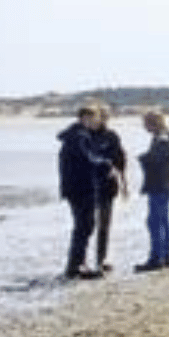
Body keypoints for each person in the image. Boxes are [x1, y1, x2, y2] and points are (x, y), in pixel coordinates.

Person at [55, 103, 113, 279]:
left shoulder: (74, 134)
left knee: (83, 226)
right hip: (81, 188)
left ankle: (78, 264)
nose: (96, 121)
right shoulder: (79, 136)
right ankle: (75, 267)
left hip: (75, 188)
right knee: (84, 226)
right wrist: (106, 164)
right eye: (93, 117)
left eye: (95, 117)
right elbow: (89, 159)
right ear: (84, 118)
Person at [133, 108, 169, 272]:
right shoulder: (165, 138)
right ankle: (166, 257)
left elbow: (160, 162)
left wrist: (143, 158)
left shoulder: (162, 139)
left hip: (159, 184)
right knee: (162, 221)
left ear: (153, 123)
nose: (144, 126)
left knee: (155, 222)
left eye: (145, 123)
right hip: (165, 184)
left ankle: (157, 258)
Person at [87, 105, 130, 272]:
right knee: (86, 226)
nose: (103, 119)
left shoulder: (111, 136)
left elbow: (121, 160)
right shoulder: (84, 135)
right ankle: (81, 261)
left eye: (106, 116)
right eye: (100, 115)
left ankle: (101, 259)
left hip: (107, 187)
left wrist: (124, 184)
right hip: (87, 187)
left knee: (104, 225)